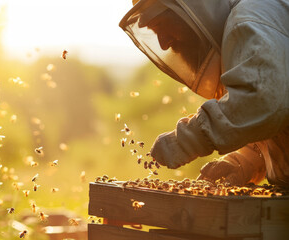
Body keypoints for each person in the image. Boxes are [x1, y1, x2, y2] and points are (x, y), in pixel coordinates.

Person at [119, 0, 289, 186]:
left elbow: (262, 101)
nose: (164, 43)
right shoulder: (247, 21)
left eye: (161, 25)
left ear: (189, 7)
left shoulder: (248, 20)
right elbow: (276, 120)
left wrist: (189, 139)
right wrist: (245, 162)